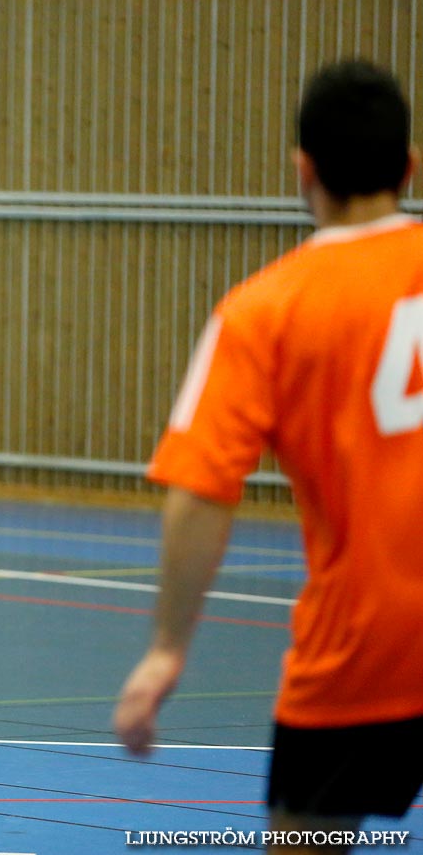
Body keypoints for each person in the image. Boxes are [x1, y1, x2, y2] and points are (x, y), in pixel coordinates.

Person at [114, 59, 423, 854]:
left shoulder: (263, 311)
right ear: (409, 168)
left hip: (369, 649)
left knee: (307, 840)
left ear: (303, 170)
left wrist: (165, 651)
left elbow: (199, 492)